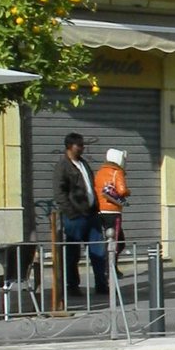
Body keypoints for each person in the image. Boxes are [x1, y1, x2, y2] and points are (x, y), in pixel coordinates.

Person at [53, 130, 107, 305]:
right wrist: (71, 212)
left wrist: (96, 207)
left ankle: (101, 284)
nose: (83, 148)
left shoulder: (83, 163)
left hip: (91, 214)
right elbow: (59, 192)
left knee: (98, 251)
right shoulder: (63, 166)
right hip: (75, 217)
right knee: (72, 253)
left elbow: (91, 186)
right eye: (80, 145)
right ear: (70, 146)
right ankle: (73, 285)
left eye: (83, 145)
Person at [93, 147, 130, 273]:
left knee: (109, 240)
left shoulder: (100, 172)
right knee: (118, 242)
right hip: (113, 211)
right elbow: (122, 190)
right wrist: (128, 192)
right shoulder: (117, 172)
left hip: (100, 211)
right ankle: (110, 268)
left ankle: (108, 267)